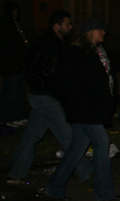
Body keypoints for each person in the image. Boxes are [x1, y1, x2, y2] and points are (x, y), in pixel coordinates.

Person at [7, 10, 93, 185]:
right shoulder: (45, 44)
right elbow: (34, 71)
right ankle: (86, 171)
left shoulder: (58, 43)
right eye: (67, 24)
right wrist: (52, 90)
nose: (70, 27)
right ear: (57, 25)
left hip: (44, 96)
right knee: (66, 133)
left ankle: (17, 172)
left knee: (31, 136)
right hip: (45, 97)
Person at [44, 17, 118, 201]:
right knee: (102, 143)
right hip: (84, 109)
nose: (104, 33)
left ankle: (54, 188)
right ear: (90, 31)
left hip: (90, 109)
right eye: (100, 29)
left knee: (77, 148)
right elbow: (64, 80)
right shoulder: (76, 52)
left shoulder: (96, 51)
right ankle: (104, 192)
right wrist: (81, 99)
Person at [0, 2, 30, 127]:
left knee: (19, 92)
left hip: (19, 65)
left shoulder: (15, 25)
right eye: (14, 11)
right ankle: (5, 118)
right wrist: (13, 63)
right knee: (10, 93)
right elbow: (6, 49)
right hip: (10, 67)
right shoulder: (4, 27)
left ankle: (17, 117)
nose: (16, 13)